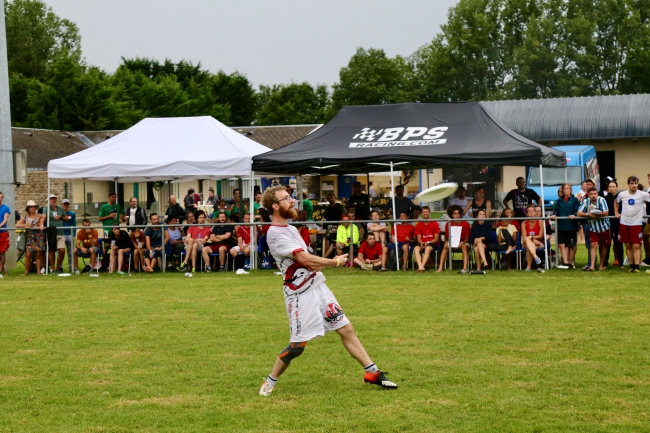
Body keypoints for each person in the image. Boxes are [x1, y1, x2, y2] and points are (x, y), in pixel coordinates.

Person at [258, 185, 397, 397]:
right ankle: (269, 382)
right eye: (287, 198)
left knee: (346, 328)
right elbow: (304, 259)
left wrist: (320, 264)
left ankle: (372, 372)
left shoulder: (291, 229)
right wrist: (335, 262)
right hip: (299, 295)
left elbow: (309, 262)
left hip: (318, 288)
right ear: (276, 206)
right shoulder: (274, 234)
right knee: (297, 347)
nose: (293, 201)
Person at [615, 176, 650, 273]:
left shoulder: (643, 194)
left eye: (636, 183)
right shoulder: (622, 194)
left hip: (636, 223)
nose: (634, 185)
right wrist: (616, 212)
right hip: (624, 223)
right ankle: (631, 266)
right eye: (632, 183)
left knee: (636, 245)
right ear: (628, 184)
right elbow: (616, 202)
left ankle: (637, 267)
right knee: (628, 245)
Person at [578, 187, 610, 271]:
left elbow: (606, 212)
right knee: (593, 245)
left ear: (597, 194)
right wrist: (588, 215)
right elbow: (579, 213)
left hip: (604, 227)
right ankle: (592, 266)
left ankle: (601, 265)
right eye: (591, 194)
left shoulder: (602, 200)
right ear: (588, 195)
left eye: (595, 194)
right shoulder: (586, 201)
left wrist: (597, 214)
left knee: (603, 246)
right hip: (593, 227)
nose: (593, 196)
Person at [551, 183, 580, 269]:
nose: (566, 190)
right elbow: (556, 210)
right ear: (562, 190)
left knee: (571, 245)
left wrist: (574, 215)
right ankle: (565, 262)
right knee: (561, 244)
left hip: (572, 226)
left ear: (570, 190)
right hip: (561, 225)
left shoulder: (575, 200)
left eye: (568, 188)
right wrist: (554, 215)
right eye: (565, 189)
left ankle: (570, 262)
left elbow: (577, 210)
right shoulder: (559, 201)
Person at [436, 205, 470, 272]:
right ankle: (440, 267)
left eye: (458, 213)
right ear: (451, 215)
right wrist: (448, 242)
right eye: (455, 213)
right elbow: (448, 237)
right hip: (452, 241)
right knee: (445, 246)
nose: (457, 215)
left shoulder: (465, 224)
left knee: (464, 247)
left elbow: (467, 238)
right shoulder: (448, 224)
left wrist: (462, 243)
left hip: (463, 242)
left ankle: (465, 267)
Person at [16, 200, 45, 275]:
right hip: (29, 237)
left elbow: (41, 223)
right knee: (28, 255)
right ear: (28, 208)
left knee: (38, 254)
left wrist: (41, 225)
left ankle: (39, 272)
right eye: (30, 207)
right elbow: (17, 225)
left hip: (39, 237)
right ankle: (26, 272)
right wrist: (25, 225)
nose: (32, 208)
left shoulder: (40, 216)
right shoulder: (25, 217)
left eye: (33, 207)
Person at [44, 194, 69, 274]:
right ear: (49, 200)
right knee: (52, 251)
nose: (53, 200)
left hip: (60, 233)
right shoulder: (46, 209)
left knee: (62, 251)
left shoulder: (60, 209)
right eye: (51, 199)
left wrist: (61, 217)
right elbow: (43, 217)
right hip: (51, 233)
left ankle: (58, 267)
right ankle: (53, 268)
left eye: (54, 199)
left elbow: (66, 219)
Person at [413, 206, 440, 272]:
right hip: (422, 242)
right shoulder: (419, 224)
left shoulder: (434, 223)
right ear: (421, 213)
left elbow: (436, 239)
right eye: (424, 212)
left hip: (431, 243)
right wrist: (421, 243)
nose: (425, 213)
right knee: (416, 248)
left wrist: (427, 243)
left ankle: (422, 266)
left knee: (427, 249)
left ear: (429, 213)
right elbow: (418, 238)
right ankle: (420, 266)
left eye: (427, 212)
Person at [577, 179, 596, 270]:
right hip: (587, 223)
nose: (588, 186)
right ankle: (591, 263)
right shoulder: (583, 197)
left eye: (590, 184)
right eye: (587, 184)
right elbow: (579, 211)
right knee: (589, 244)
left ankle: (600, 264)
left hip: (598, 224)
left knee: (600, 245)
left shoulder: (598, 196)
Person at [603, 180, 623, 267]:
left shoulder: (621, 197)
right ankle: (605, 263)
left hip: (619, 223)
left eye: (613, 186)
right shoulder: (605, 198)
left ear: (616, 187)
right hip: (608, 223)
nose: (611, 188)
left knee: (619, 243)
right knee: (607, 243)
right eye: (610, 187)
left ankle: (621, 263)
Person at [521, 205, 544, 272]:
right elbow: (524, 237)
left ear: (535, 212)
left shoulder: (540, 222)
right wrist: (533, 239)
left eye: (533, 210)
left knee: (529, 247)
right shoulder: (524, 223)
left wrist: (532, 238)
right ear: (527, 214)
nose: (531, 212)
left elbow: (541, 236)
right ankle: (535, 257)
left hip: (538, 242)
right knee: (527, 240)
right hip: (527, 242)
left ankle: (528, 267)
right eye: (529, 211)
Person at [61, 199, 76, 273]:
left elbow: (74, 224)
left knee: (70, 253)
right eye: (64, 204)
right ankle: (60, 267)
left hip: (70, 234)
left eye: (67, 204)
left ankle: (71, 267)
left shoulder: (72, 214)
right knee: (60, 252)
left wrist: (74, 235)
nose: (66, 205)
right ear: (62, 205)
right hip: (62, 234)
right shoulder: (59, 213)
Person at [0, 192, 10, 276]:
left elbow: (5, 219)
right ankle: (3, 270)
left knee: (2, 251)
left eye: (1, 197)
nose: (0, 198)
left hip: (3, 232)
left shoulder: (6, 207)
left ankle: (0, 270)